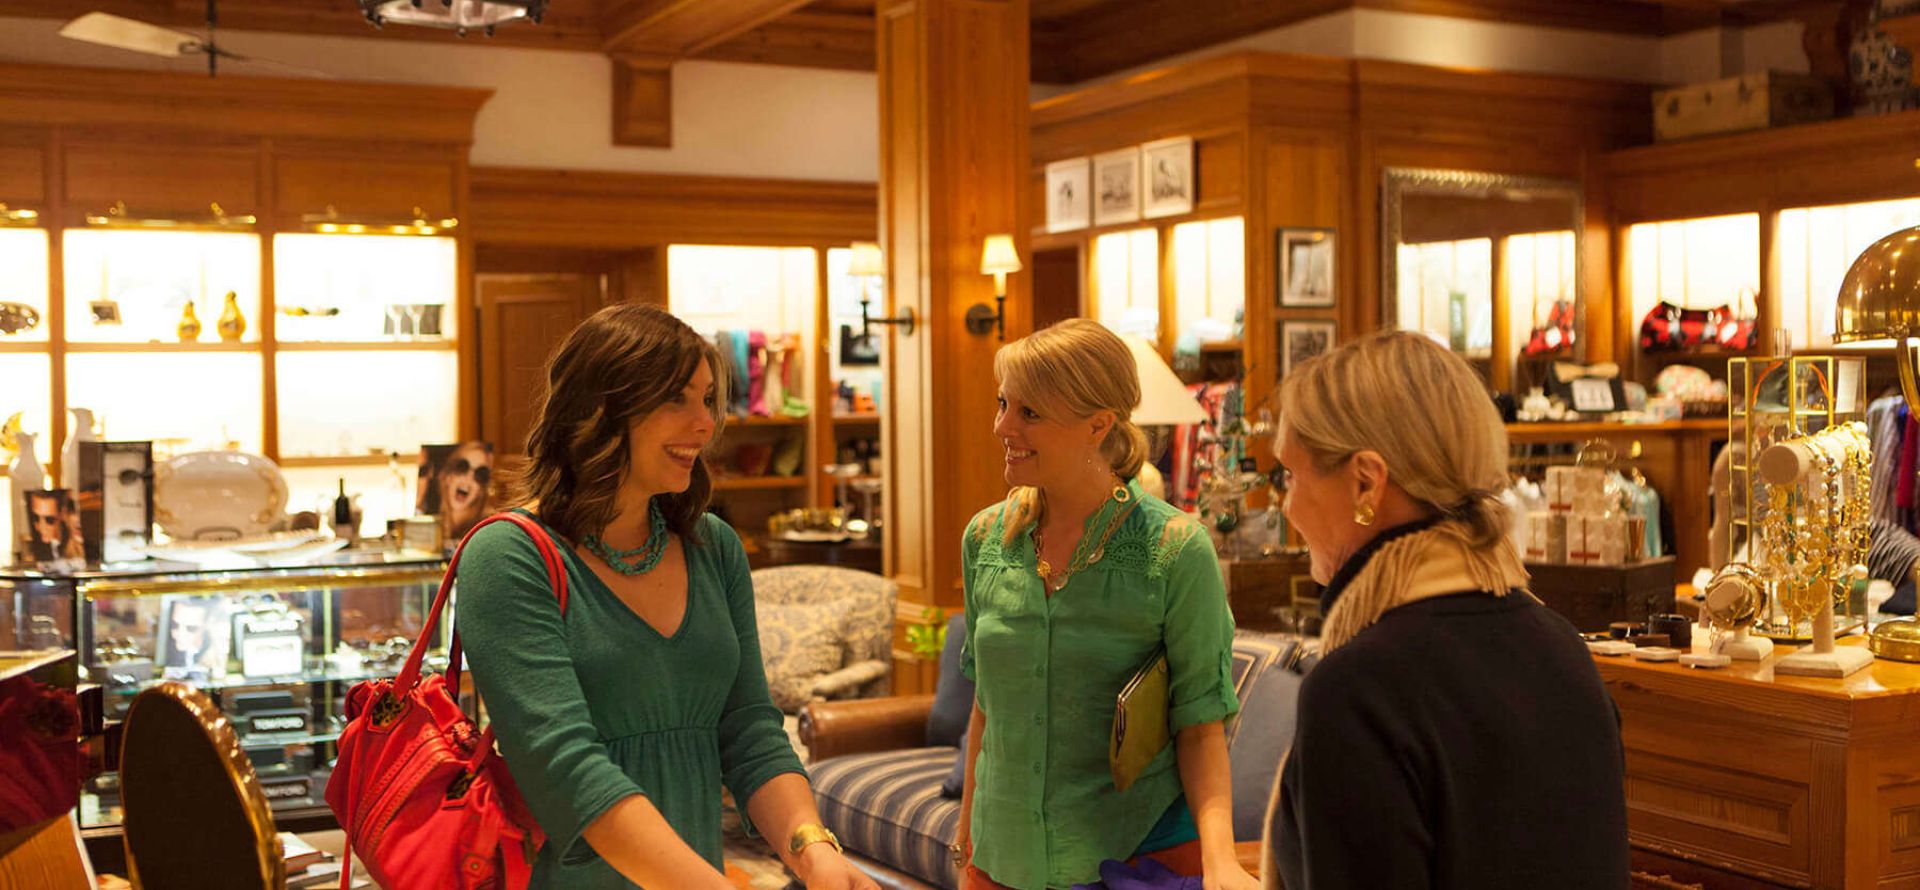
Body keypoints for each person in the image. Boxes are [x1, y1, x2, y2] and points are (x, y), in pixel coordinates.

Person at [455, 303, 877, 890]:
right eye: (677, 399)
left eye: (708, 399)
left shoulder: (714, 547)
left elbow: (750, 730)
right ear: (601, 409)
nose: (705, 424)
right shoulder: (507, 556)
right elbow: (568, 770)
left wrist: (813, 850)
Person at [1261, 330, 1628, 889]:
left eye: (1290, 475)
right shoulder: (1560, 645)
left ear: (1366, 481)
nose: (1285, 505)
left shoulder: (1360, 688)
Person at [955, 319, 1256, 890]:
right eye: (1002, 404)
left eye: (1029, 413)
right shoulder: (984, 540)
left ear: (1098, 425)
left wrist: (1222, 862)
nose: (1001, 426)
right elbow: (986, 708)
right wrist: (966, 841)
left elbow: (1201, 723)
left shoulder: (1175, 550)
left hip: (1133, 861)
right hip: (1002, 859)